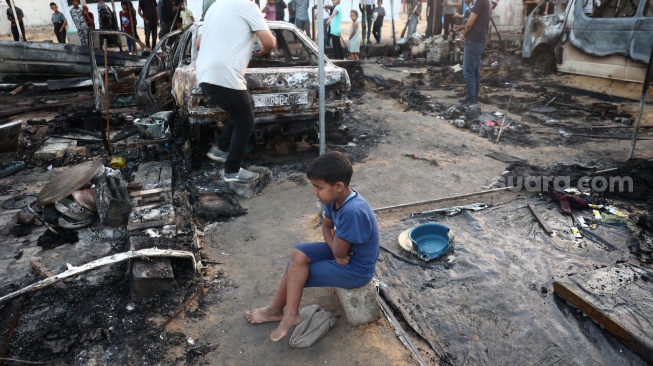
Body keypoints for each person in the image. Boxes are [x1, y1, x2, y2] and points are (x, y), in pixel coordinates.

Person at [246, 151, 380, 342]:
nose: (314, 192)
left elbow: (340, 251)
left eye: (319, 187)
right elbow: (326, 228)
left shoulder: (352, 211)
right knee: (298, 253)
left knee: (296, 268)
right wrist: (334, 246)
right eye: (314, 187)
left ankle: (286, 313)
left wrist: (336, 248)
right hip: (343, 255)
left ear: (339, 186)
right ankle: (278, 311)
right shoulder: (334, 199)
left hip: (356, 269)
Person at [197, 0, 276, 182]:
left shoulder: (214, 7)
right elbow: (269, 42)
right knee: (246, 122)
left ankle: (221, 148)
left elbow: (199, 44)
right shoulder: (247, 6)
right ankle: (232, 170)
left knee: (241, 111)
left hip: (205, 73)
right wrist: (264, 48)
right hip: (225, 74)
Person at [460, 0, 491, 107]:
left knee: (468, 71)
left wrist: (464, 34)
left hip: (473, 39)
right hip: (480, 39)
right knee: (475, 71)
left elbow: (470, 22)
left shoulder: (479, 1)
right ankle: (473, 98)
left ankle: (471, 100)